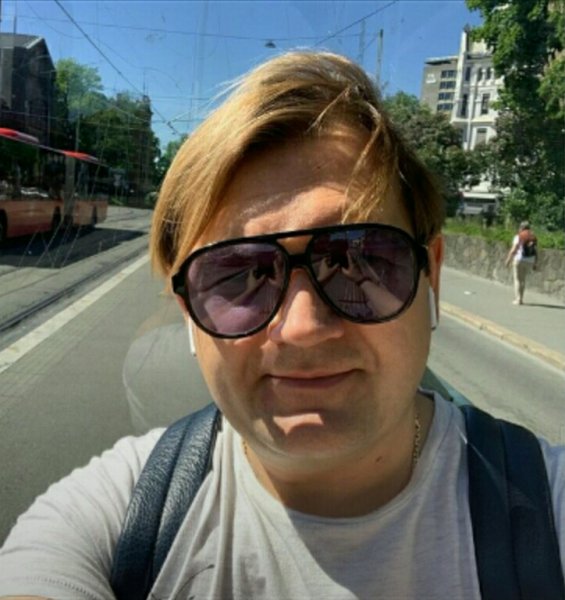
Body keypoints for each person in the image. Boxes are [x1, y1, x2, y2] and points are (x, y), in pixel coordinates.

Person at [0, 51, 563, 599]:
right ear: (189, 312)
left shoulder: (550, 507)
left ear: (431, 276)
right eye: (239, 273)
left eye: (359, 258)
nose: (302, 328)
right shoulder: (115, 517)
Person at [505, 220, 539, 305]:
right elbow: (535, 251)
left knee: (517, 279)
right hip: (530, 260)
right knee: (523, 280)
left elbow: (514, 249)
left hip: (519, 259)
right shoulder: (533, 237)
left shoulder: (519, 236)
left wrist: (508, 260)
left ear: (521, 227)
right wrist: (535, 263)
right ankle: (521, 298)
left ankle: (518, 299)